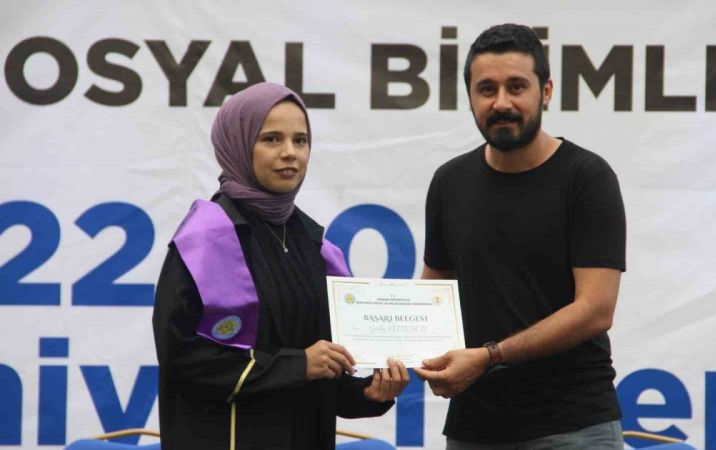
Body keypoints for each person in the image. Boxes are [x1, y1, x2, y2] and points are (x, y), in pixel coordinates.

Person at [152, 82, 409, 450]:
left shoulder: (312, 244)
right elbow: (181, 359)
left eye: (300, 140)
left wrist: (369, 393)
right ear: (238, 144)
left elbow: (323, 373)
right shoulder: (205, 241)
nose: (290, 153)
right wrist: (296, 366)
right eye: (271, 139)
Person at [414, 24, 627, 449]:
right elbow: (433, 294)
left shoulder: (587, 178)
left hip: (572, 428)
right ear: (470, 97)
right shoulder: (449, 182)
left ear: (545, 92)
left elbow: (595, 310)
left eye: (516, 87)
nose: (501, 103)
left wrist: (488, 357)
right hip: (474, 429)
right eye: (486, 89)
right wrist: (385, 351)